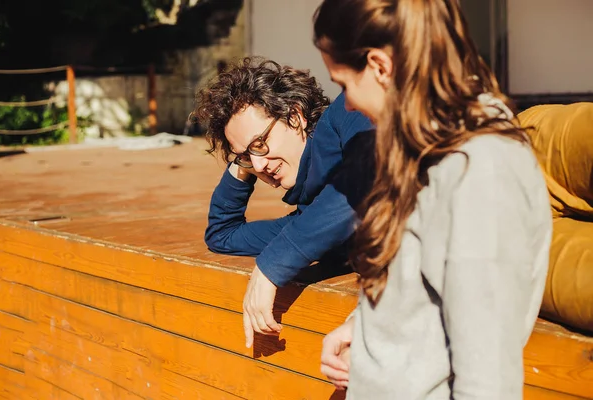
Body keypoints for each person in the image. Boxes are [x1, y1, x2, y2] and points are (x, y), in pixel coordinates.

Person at [313, 0, 552, 398]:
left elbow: (487, 377)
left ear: (380, 67)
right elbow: (424, 282)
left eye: (343, 86)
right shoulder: (423, 146)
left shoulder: (478, 171)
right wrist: (365, 327)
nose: (349, 105)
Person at [196, 57, 373, 348]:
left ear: (296, 117)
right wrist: (240, 165)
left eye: (259, 143)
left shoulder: (350, 111)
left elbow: (368, 178)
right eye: (246, 156)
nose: (259, 164)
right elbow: (222, 235)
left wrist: (271, 266)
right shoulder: (308, 220)